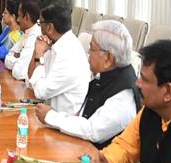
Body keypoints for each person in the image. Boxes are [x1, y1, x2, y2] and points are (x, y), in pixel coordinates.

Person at [36, 20, 141, 148]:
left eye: (91, 49)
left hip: (99, 157)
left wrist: (51, 117)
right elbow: (82, 116)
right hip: (82, 147)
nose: (88, 54)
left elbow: (92, 130)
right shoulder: (106, 75)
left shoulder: (124, 94)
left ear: (108, 58)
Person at [27, 0, 90, 114]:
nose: (39, 27)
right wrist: (36, 51)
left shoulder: (70, 53)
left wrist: (39, 56)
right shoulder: (55, 43)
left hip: (63, 120)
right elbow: (31, 77)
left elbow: (41, 92)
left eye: (40, 23)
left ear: (49, 27)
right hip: (49, 114)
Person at [4, 0, 42, 80]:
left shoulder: (35, 36)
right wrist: (18, 59)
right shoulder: (27, 33)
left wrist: (16, 58)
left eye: (19, 16)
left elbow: (18, 73)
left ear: (27, 17)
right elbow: (7, 59)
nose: (17, 19)